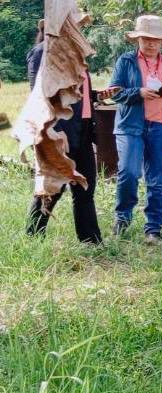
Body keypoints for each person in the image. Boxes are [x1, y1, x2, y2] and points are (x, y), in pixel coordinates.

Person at [25, 23, 110, 244]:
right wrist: (50, 135)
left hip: (82, 131)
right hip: (57, 132)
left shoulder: (77, 52)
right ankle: (33, 237)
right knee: (52, 188)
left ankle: (91, 241)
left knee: (85, 186)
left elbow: (76, 94)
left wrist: (95, 96)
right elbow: (39, 94)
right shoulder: (42, 51)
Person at [109, 15, 162, 243]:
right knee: (129, 173)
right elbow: (114, 93)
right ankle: (122, 218)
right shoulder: (126, 61)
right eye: (146, 39)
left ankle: (153, 228)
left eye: (156, 39)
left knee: (157, 181)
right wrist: (138, 92)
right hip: (131, 125)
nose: (151, 44)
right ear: (138, 39)